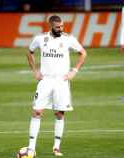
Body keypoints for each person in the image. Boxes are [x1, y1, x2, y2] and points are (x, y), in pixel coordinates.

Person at [26, 15, 87, 156]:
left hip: (61, 81)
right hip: (45, 81)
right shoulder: (40, 38)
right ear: (51, 26)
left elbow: (83, 53)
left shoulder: (68, 39)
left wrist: (74, 70)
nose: (61, 29)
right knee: (37, 112)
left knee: (59, 114)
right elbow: (29, 52)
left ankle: (56, 147)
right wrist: (35, 70)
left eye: (62, 26)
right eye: (58, 27)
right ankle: (31, 147)